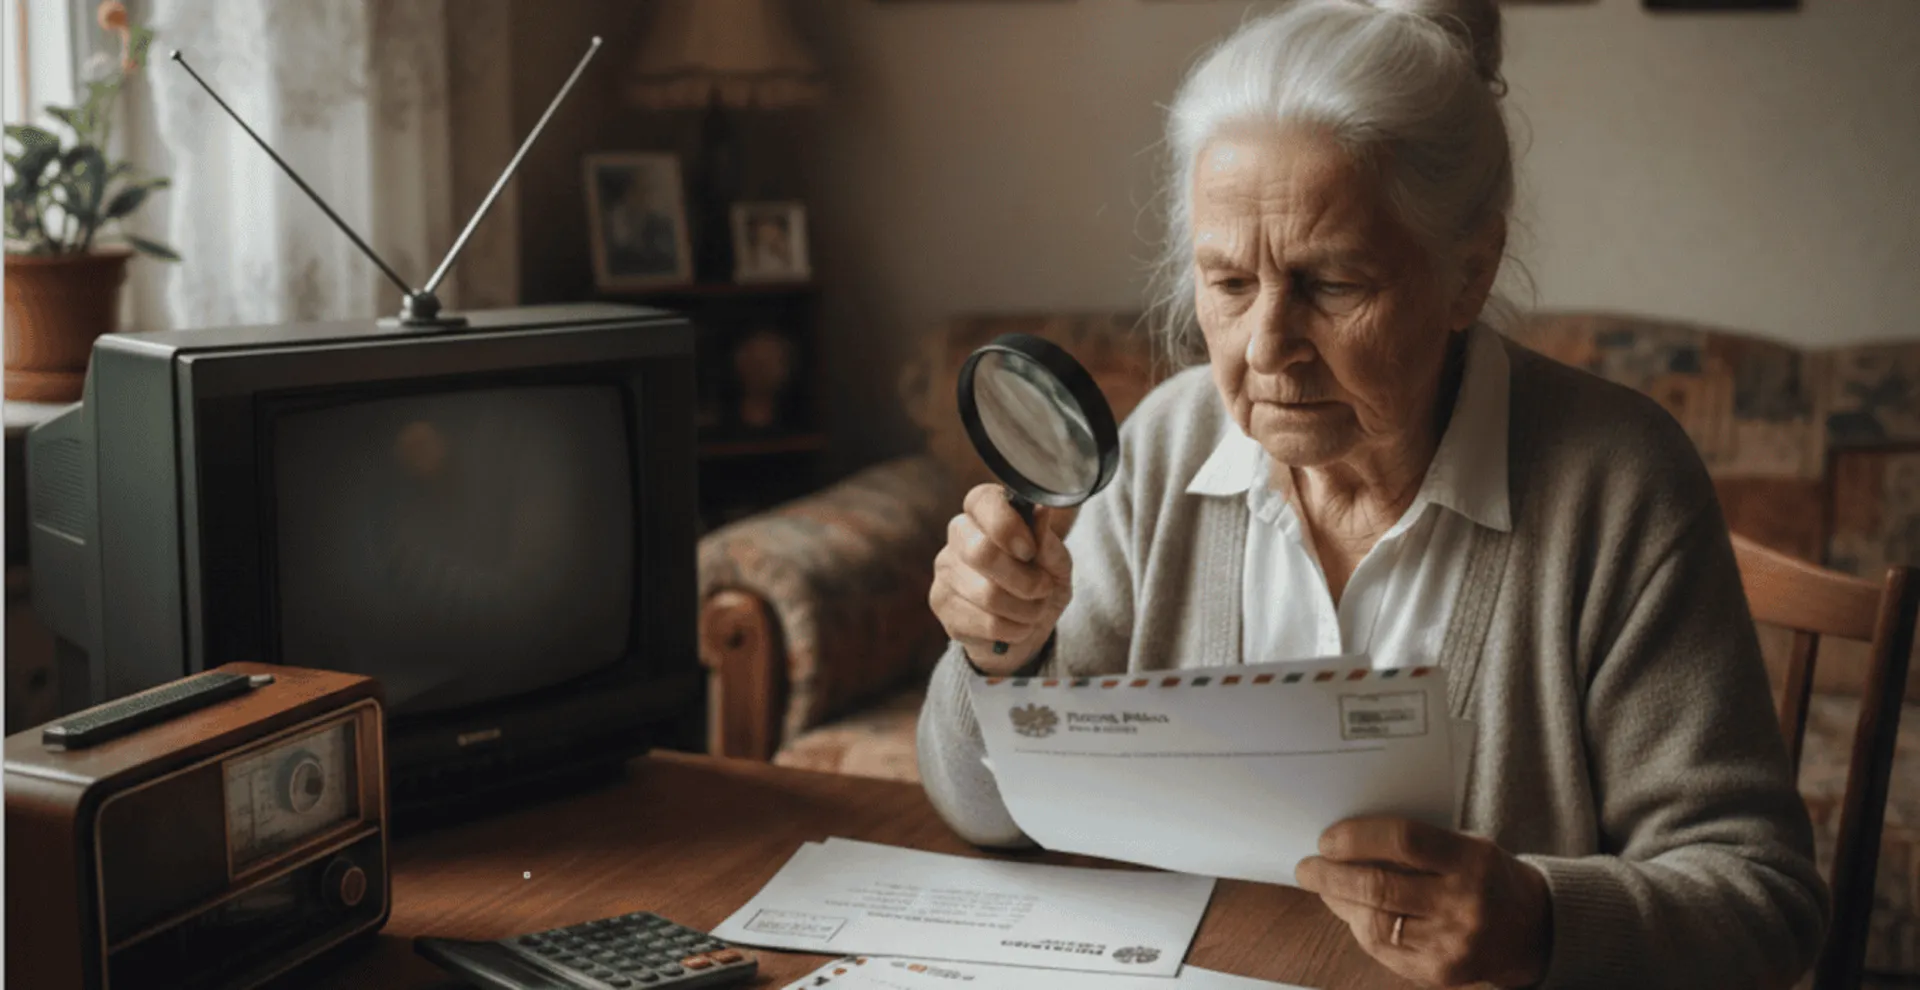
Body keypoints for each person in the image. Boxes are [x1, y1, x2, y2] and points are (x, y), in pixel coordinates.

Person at [915, 1, 1827, 987]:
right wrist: (997, 657)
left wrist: (1542, 921)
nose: (1266, 346)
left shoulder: (1617, 484)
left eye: (1333, 284)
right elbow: (986, 811)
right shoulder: (1167, 444)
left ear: (1467, 273)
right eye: (1227, 284)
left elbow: (1765, 902)